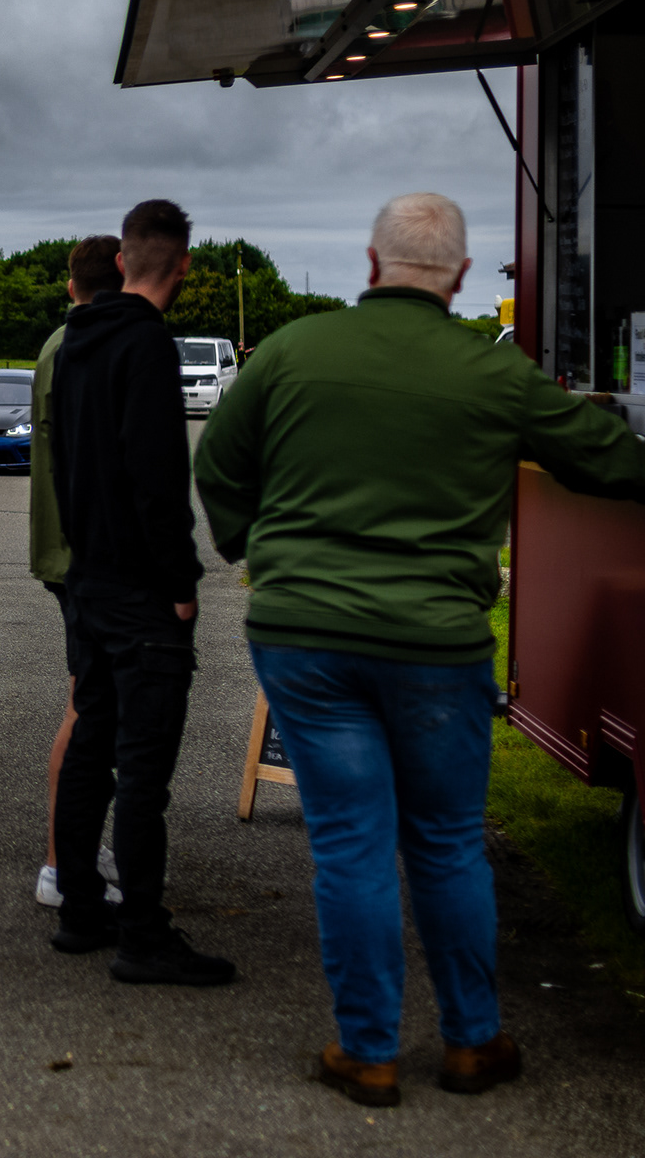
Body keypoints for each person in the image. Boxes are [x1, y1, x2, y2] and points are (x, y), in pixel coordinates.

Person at [194, 193, 645, 1105]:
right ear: (462, 277)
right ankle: (473, 1043)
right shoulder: (495, 373)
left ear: (372, 266)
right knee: (445, 843)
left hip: (306, 639)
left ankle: (368, 1052)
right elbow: (610, 460)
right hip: (436, 645)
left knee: (351, 845)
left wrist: (254, 548)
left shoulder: (291, 351)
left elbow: (218, 465)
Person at [49, 198, 231, 985]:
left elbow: (66, 462)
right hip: (141, 594)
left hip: (89, 577)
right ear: (182, 265)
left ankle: (81, 909)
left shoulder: (76, 341)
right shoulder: (149, 345)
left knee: (92, 748)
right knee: (144, 772)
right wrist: (180, 583)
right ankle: (145, 937)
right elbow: (157, 477)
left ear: (122, 261)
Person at [29, 235, 123, 908]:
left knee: (92, 704)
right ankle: (62, 866)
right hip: (83, 554)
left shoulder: (58, 343)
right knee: (89, 709)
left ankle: (78, 842)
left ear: (70, 286)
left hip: (64, 549)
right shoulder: (85, 349)